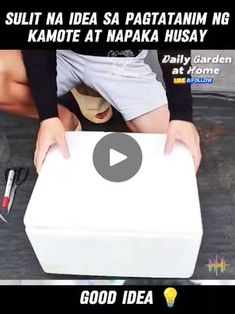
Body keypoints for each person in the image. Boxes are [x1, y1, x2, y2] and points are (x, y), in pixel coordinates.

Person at [0, 49, 201, 173]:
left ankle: (96, 90)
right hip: (63, 53)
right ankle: (65, 118)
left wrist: (182, 115)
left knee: (176, 151)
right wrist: (49, 116)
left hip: (117, 61)